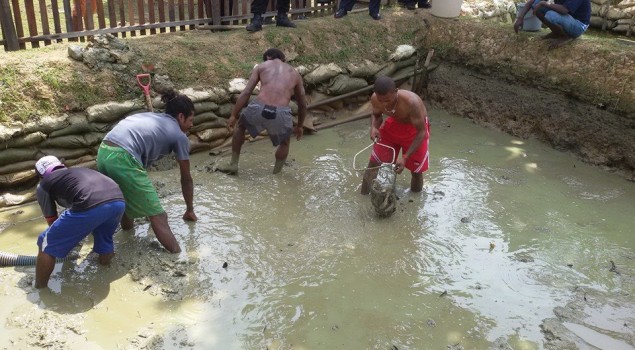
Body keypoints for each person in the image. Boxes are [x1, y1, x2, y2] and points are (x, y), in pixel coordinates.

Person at [96, 89, 197, 253]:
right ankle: (178, 256)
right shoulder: (180, 136)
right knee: (159, 215)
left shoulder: (153, 118)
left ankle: (128, 236)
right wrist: (189, 209)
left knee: (123, 200)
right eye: (190, 120)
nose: (191, 125)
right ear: (180, 116)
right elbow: (186, 178)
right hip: (123, 157)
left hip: (104, 151)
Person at [34, 156, 126, 289]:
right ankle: (105, 272)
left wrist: (64, 242)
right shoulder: (78, 172)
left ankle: (40, 289)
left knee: (45, 242)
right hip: (118, 201)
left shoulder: (44, 185)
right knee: (104, 239)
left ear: (41, 175)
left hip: (91, 203)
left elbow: (52, 220)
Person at [216, 48, 307, 175]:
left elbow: (247, 92)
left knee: (241, 127)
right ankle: (276, 175)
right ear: (283, 59)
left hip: (258, 108)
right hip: (280, 113)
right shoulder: (295, 73)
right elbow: (302, 104)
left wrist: (233, 115)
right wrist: (300, 126)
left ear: (268, 57)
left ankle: (233, 164)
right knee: (285, 142)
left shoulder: (261, 67)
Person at [361, 76, 430, 194]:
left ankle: (415, 201)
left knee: (416, 171)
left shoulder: (412, 102)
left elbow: (422, 132)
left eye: (387, 100)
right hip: (393, 125)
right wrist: (374, 127)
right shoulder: (375, 99)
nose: (384, 103)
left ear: (396, 91)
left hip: (415, 131)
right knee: (374, 164)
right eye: (380, 100)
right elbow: (377, 115)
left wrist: (405, 157)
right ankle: (362, 198)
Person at [514, 0, 591, 49]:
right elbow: (532, 2)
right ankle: (556, 33)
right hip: (567, 19)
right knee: (536, 4)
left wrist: (545, 4)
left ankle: (565, 36)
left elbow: (564, 10)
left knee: (551, 15)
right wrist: (520, 18)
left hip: (579, 25)